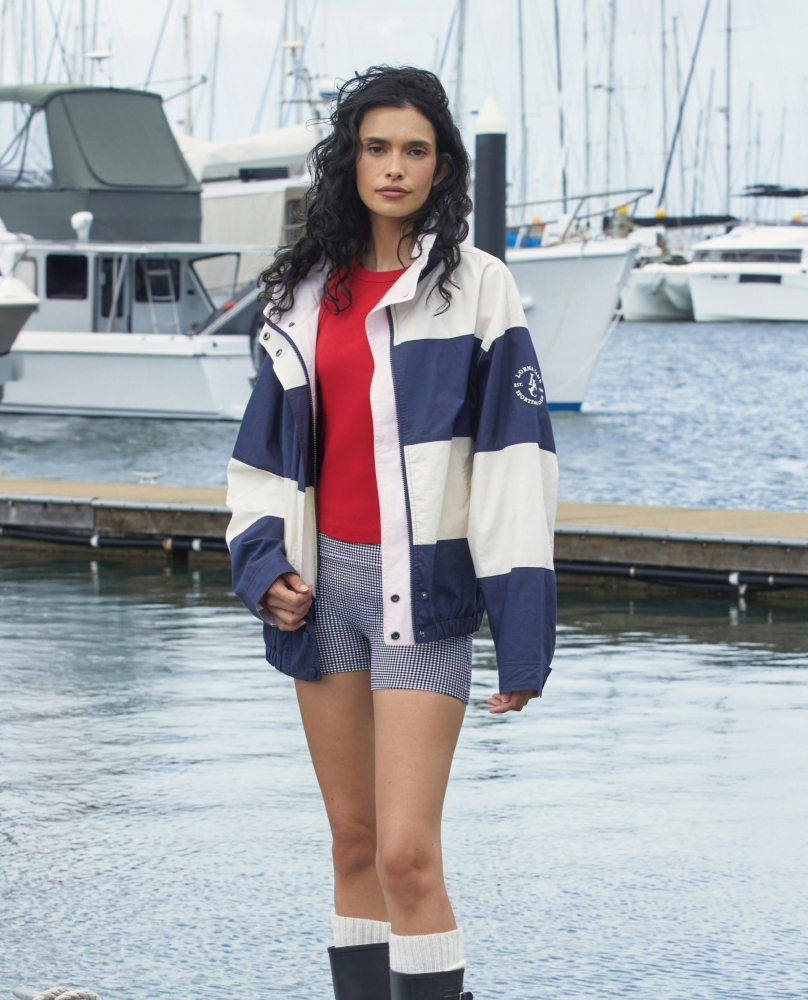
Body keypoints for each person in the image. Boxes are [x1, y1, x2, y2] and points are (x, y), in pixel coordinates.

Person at [224, 66, 558, 1000]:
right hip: (320, 591)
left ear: (443, 165)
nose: (395, 167)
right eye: (377, 148)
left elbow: (515, 464)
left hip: (424, 596)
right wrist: (265, 571)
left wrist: (523, 638)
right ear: (351, 161)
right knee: (354, 842)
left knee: (408, 856)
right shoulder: (300, 292)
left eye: (415, 150)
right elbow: (258, 462)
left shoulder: (479, 289)